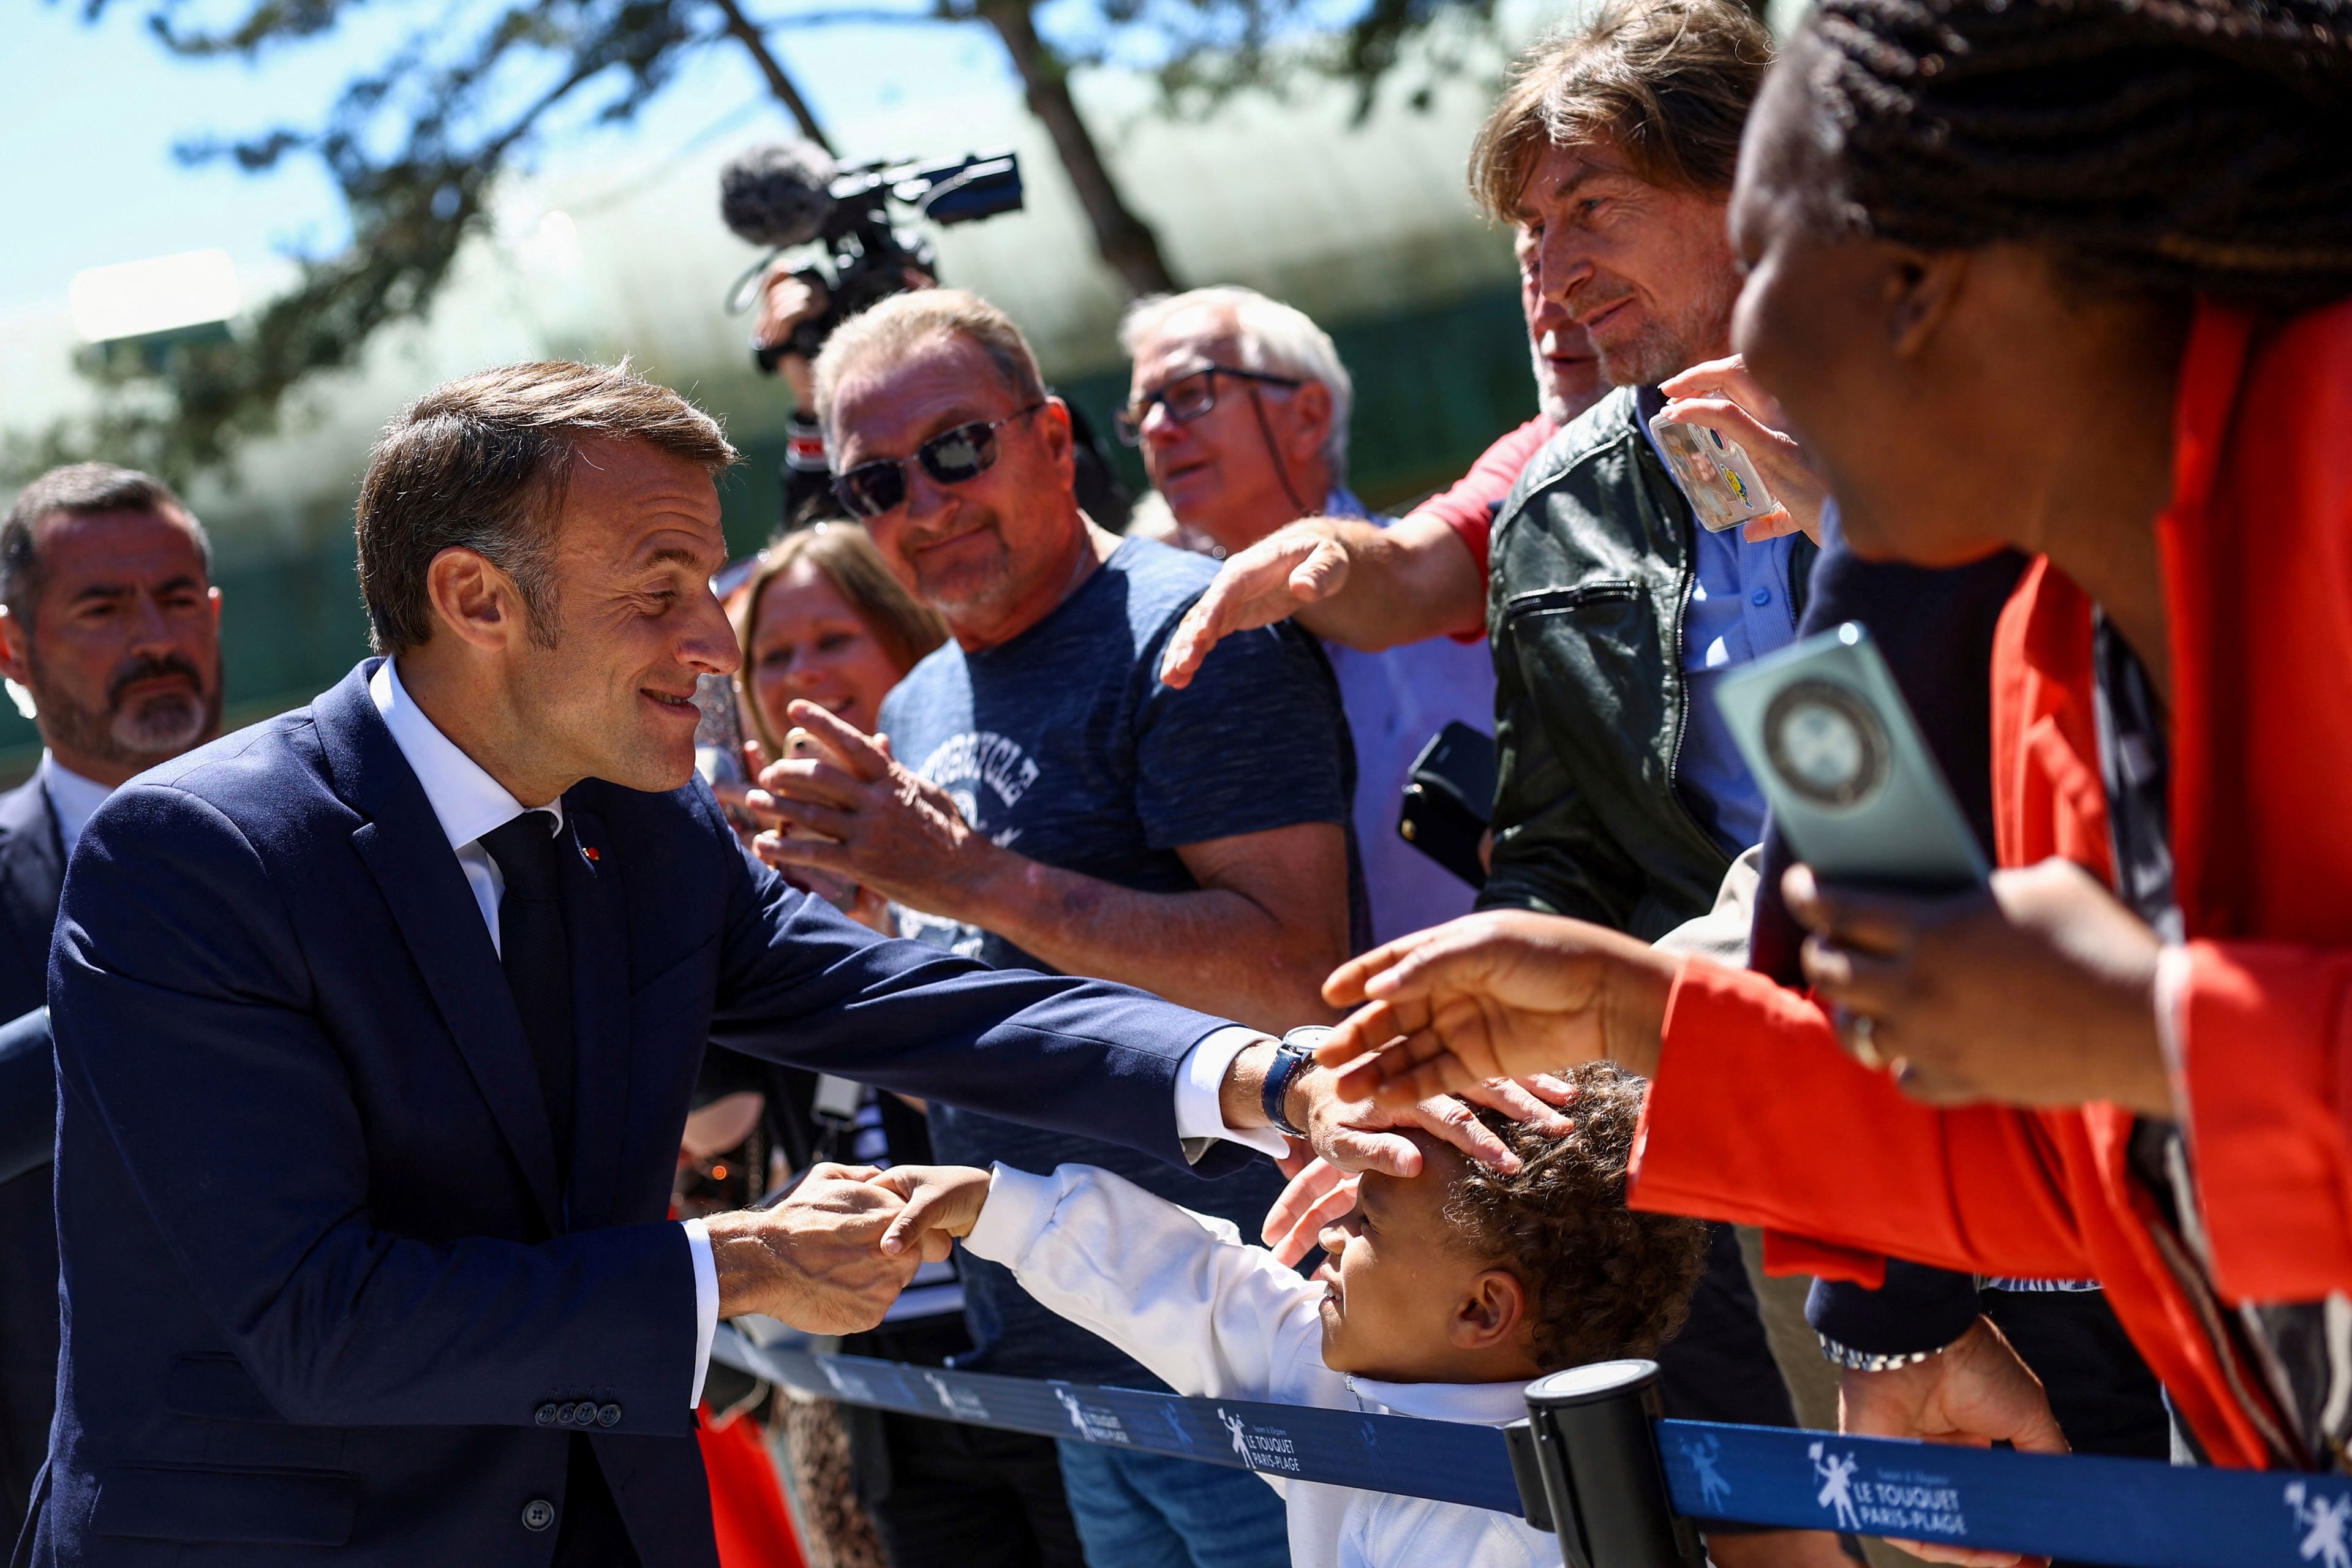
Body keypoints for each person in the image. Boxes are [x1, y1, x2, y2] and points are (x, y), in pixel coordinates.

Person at [29, 358, 1526, 1568]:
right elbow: (320, 1320)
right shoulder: (199, 860)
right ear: (476, 601)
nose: (713, 637)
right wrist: (736, 1262)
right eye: (662, 586)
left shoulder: (646, 822)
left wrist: (1262, 1076)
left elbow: (902, 994)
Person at [1310, 0, 2352, 1498]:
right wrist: (1630, 1005)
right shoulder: (2047, 646)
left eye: (1765, 249)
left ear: (1918, 279)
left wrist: (2161, 1029)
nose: (1551, 281)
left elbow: (2126, 1053)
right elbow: (2082, 1153)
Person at [754, 288, 1567, 1568]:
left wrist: (970, 877)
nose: (925, 502)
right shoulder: (915, 702)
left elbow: (1297, 972)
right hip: (1055, 1350)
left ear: (1056, 440)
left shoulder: (1190, 630)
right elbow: (986, 994)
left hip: (1249, 1348)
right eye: (876, 483)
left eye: (957, 448)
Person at [864, 1061, 1707, 1568]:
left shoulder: (1541, 1533)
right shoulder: (1342, 1372)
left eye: (1367, 1221)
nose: (1333, 1233)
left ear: (1483, 1309)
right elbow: (1197, 1287)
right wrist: (991, 1206)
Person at [715, 525, 1088, 1568]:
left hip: (1055, 1343)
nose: (802, 678)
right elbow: (713, 1117)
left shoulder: (982, 831)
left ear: (909, 647)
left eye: (834, 637)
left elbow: (1031, 1093)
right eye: (774, 658)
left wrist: (881, 939)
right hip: (892, 1380)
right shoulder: (757, 885)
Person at [1115, 287, 1499, 944]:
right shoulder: (1145, 640)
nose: (1156, 429)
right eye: (1143, 410)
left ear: (1310, 416)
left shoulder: (1462, 574)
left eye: (1189, 393)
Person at [0, 462, 227, 1533]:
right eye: (102, 607)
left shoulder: (372, 842)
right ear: (13, 651)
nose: (154, 635)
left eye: (178, 598)